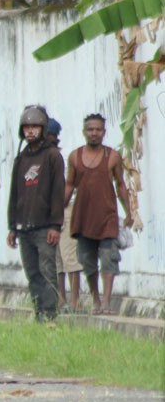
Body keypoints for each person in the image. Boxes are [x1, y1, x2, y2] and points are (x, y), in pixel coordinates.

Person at [65, 113, 133, 315]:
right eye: (90, 129)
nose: (94, 133)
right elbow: (69, 185)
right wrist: (58, 212)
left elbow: (121, 185)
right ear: (84, 132)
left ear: (104, 132)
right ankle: (95, 299)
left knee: (108, 259)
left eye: (98, 130)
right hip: (83, 218)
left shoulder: (112, 156)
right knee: (87, 261)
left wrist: (129, 212)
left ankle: (106, 303)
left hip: (107, 218)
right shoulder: (74, 157)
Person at [6, 105, 65, 322]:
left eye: (35, 127)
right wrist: (12, 226)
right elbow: (14, 194)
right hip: (24, 229)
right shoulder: (21, 159)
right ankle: (38, 313)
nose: (30, 131)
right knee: (32, 274)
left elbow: (58, 192)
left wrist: (55, 226)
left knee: (48, 271)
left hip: (45, 227)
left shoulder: (53, 157)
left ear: (43, 128)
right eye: (27, 127)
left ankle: (50, 315)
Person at [47, 119, 82, 313]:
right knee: (57, 259)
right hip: (50, 213)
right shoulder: (42, 159)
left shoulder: (63, 158)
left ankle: (75, 300)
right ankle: (61, 299)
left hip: (66, 209)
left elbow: (69, 188)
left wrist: (58, 209)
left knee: (70, 256)